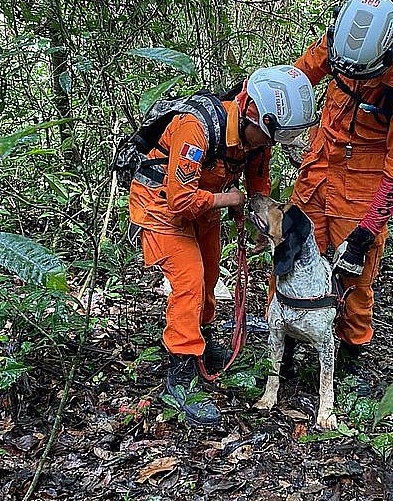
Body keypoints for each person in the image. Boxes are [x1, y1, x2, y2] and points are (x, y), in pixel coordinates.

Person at [129, 66, 317, 426]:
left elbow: (258, 180)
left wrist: (259, 217)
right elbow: (180, 201)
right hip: (161, 206)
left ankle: (202, 339)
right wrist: (228, 199)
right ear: (249, 112)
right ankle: (181, 373)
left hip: (206, 201)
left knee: (211, 275)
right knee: (190, 281)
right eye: (264, 136)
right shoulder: (195, 128)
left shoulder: (260, 136)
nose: (265, 145)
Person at [292, 0, 393, 390]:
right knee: (291, 257)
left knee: (353, 281)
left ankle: (351, 354)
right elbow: (296, 78)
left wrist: (364, 234)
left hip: (362, 190)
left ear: (391, 47)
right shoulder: (339, 41)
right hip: (316, 172)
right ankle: (285, 348)